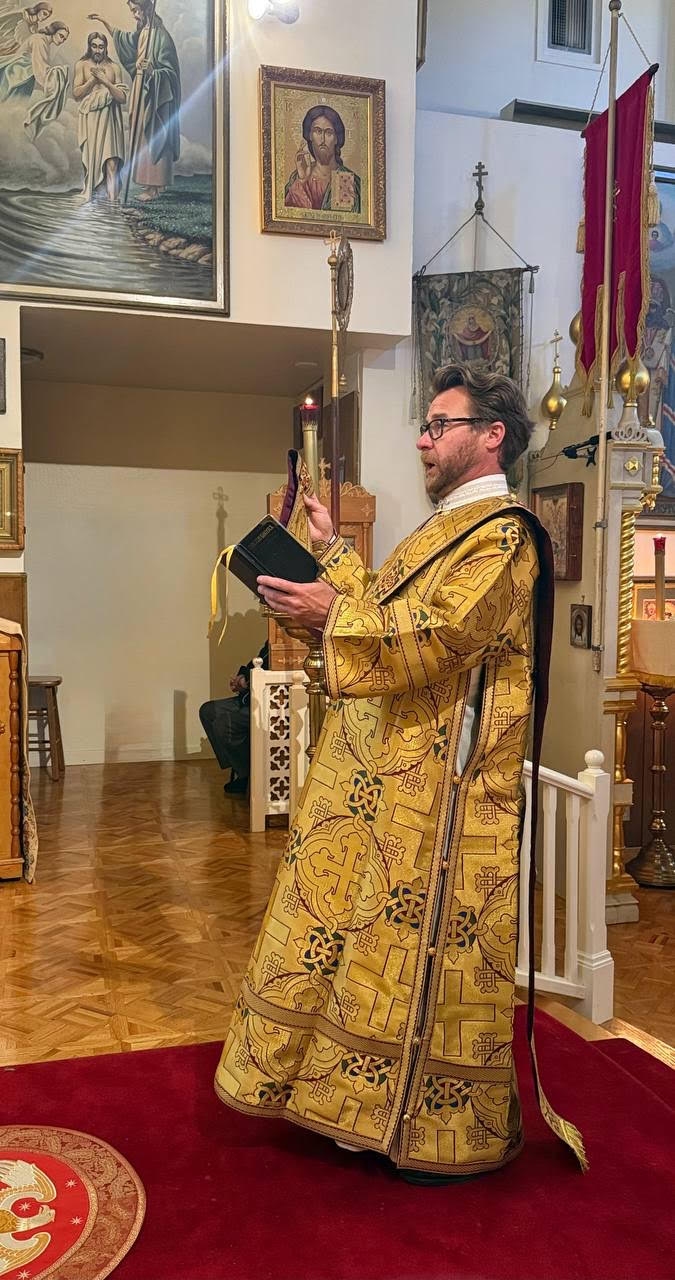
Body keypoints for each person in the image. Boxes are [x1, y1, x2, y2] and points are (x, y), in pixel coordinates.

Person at [215, 363, 584, 1183]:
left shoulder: (504, 536)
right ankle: (347, 1103)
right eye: (424, 424)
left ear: (490, 436)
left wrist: (331, 612)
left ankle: (420, 1127)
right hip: (390, 775)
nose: (422, 439)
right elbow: (387, 612)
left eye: (438, 425)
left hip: (447, 794)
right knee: (359, 941)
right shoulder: (440, 528)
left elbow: (440, 636)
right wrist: (330, 556)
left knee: (417, 955)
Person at [88, 0, 180, 202]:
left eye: (136, 10)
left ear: (146, 9)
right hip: (141, 86)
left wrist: (153, 72)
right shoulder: (143, 32)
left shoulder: (161, 36)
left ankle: (155, 187)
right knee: (140, 133)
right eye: (132, 11)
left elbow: (170, 71)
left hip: (154, 91)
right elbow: (123, 40)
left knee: (152, 131)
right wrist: (104, 21)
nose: (134, 15)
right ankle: (149, 183)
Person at [199, 643, 269, 795]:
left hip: (266, 705)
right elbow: (258, 662)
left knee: (224, 724)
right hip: (248, 698)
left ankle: (247, 776)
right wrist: (242, 678)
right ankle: (241, 768)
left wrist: (247, 682)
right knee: (208, 711)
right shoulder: (273, 639)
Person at [73, 32, 127, 203]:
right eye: (94, 46)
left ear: (106, 48)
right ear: (89, 46)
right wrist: (92, 80)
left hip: (111, 119)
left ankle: (113, 203)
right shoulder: (82, 65)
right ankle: (93, 198)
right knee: (92, 161)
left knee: (112, 162)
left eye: (101, 47)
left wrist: (105, 81)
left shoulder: (114, 67)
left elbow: (122, 98)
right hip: (91, 119)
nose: (97, 50)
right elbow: (76, 94)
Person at [284, 104, 361, 213]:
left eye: (329, 132)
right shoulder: (298, 177)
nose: (323, 139)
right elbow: (290, 215)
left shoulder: (345, 177)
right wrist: (302, 181)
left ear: (336, 138)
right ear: (310, 135)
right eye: (318, 131)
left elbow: (341, 219)